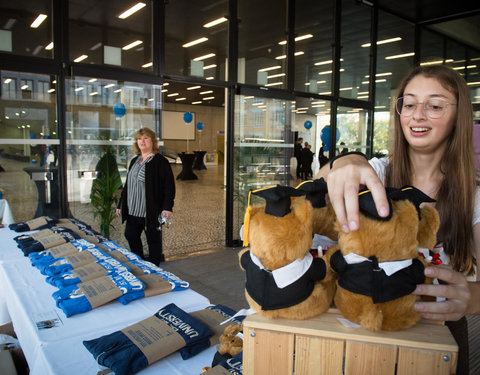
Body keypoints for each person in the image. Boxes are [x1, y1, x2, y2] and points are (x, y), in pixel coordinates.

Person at [317, 65, 479, 374]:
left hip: (436, 330)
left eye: (434, 105)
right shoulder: (376, 173)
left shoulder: (473, 196)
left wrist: (470, 299)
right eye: (409, 103)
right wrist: (347, 160)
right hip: (361, 319)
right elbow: (320, 186)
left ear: (459, 116)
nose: (417, 114)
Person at [116, 127, 175, 264]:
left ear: (153, 141)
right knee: (130, 235)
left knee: (153, 241)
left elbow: (169, 187)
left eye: (145, 138)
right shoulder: (134, 161)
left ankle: (154, 268)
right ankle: (140, 263)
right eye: (139, 139)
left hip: (150, 211)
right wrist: (121, 204)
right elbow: (128, 186)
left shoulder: (160, 162)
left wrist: (167, 207)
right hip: (133, 210)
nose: (142, 141)